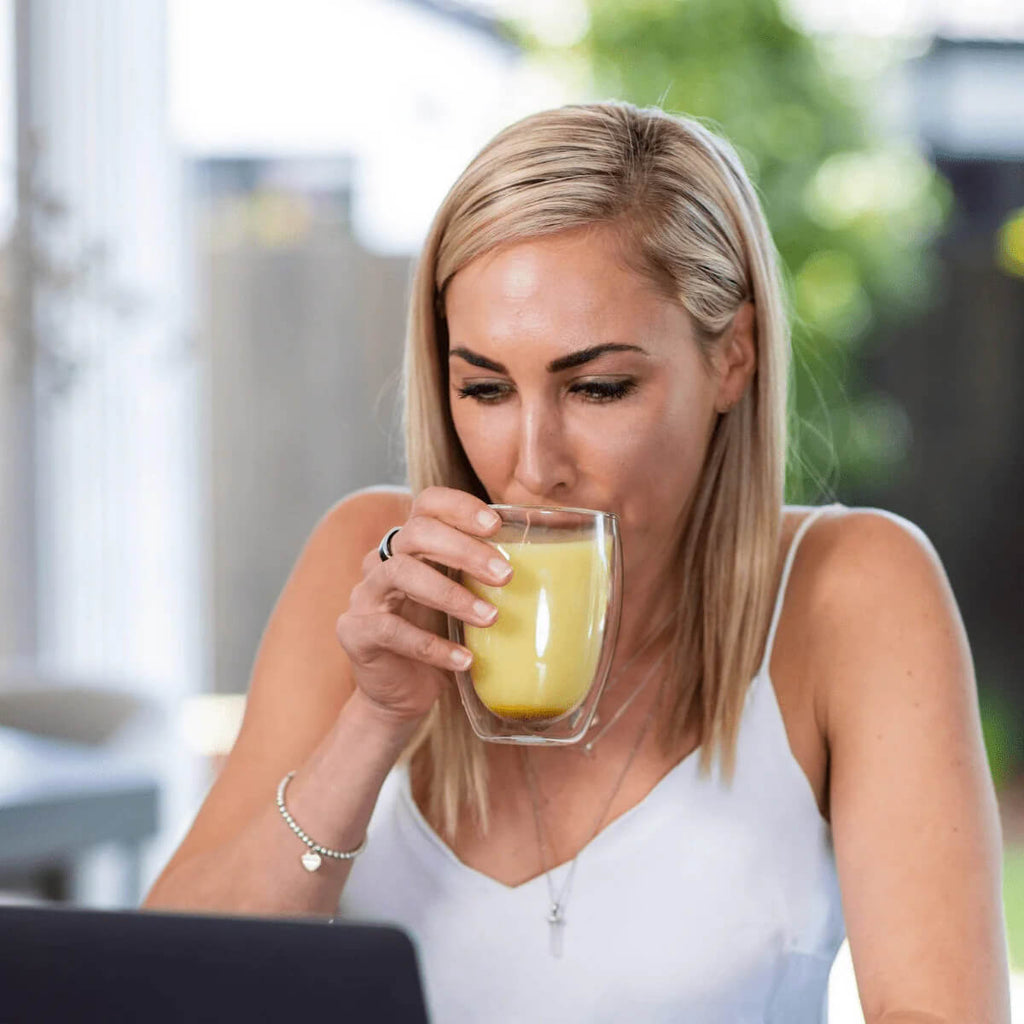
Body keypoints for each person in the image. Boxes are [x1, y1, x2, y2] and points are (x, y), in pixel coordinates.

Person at [143, 102, 1011, 1022]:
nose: (531, 461)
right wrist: (371, 724)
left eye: (597, 387)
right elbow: (165, 996)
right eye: (483, 386)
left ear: (734, 359)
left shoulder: (851, 589)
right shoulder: (369, 566)